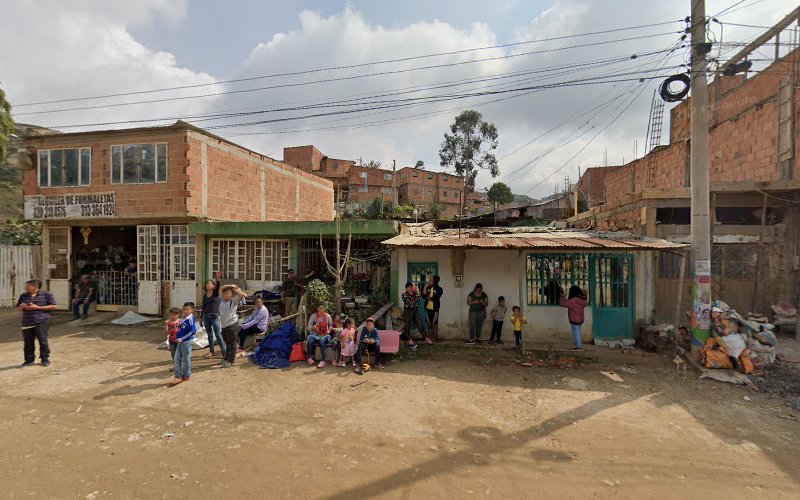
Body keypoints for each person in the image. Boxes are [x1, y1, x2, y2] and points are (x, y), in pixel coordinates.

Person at [16, 279, 57, 367]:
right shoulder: (23, 296)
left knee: (43, 341)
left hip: (41, 321)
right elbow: (18, 309)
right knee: (28, 342)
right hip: (26, 322)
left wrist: (38, 307)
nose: (25, 288)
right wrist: (21, 306)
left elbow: (53, 306)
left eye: (28, 286)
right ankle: (29, 360)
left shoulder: (47, 294)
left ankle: (45, 359)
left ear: (35, 287)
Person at [219, 284, 245, 368]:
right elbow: (221, 289)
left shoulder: (233, 301)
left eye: (229, 293)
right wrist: (230, 285)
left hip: (232, 325)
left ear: (232, 294)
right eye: (226, 293)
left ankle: (231, 361)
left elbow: (241, 295)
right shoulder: (221, 300)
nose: (227, 295)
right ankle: (226, 358)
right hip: (223, 325)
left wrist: (236, 289)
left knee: (232, 344)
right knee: (227, 343)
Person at [171, 302, 197, 385]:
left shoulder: (191, 319)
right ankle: (178, 376)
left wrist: (181, 339)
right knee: (176, 358)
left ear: (192, 310)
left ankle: (186, 375)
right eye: (184, 309)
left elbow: (193, 332)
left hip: (187, 342)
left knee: (186, 359)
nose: (185, 311)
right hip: (180, 341)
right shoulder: (182, 317)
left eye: (187, 309)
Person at [201, 272, 225, 359]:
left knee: (218, 335)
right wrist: (201, 318)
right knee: (209, 335)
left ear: (214, 286)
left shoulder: (216, 294)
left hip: (215, 317)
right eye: (207, 283)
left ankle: (224, 352)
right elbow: (203, 307)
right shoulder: (205, 296)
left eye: (210, 283)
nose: (208, 285)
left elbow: (218, 286)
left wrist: (218, 279)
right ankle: (212, 351)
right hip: (206, 317)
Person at [401, 281, 433, 348]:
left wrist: (412, 297)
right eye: (408, 287)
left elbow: (416, 303)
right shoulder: (403, 295)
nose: (409, 289)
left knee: (420, 324)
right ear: (406, 288)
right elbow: (408, 303)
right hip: (408, 311)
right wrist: (412, 297)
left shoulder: (416, 294)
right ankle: (409, 339)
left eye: (410, 287)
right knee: (407, 326)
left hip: (415, 311)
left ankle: (426, 338)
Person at [559, 285, 588, 351]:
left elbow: (563, 303)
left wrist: (562, 296)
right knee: (578, 332)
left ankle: (578, 346)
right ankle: (578, 343)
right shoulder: (583, 299)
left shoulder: (574, 300)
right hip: (581, 319)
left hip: (574, 319)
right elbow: (585, 302)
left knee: (576, 332)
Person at [424, 275, 443, 342]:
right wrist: (425, 287)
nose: (429, 280)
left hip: (435, 309)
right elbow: (424, 296)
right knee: (429, 324)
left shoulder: (439, 289)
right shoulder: (428, 287)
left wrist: (429, 297)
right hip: (427, 309)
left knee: (434, 324)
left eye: (431, 279)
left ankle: (434, 339)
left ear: (434, 280)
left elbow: (436, 298)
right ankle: (430, 339)